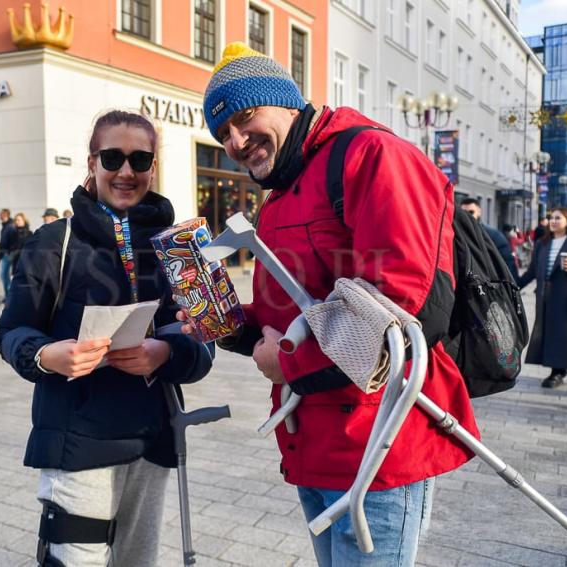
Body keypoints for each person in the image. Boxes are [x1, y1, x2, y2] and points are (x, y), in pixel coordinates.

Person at [187, 42, 479, 566]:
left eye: (244, 116)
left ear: (285, 100)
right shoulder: (280, 194)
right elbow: (287, 318)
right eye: (221, 133)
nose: (234, 140)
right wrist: (224, 324)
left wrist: (290, 364)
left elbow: (403, 309)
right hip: (315, 449)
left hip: (377, 449)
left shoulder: (372, 156)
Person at [0, 109, 214, 566]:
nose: (126, 171)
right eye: (113, 157)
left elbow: (204, 346)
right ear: (92, 162)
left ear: (154, 166)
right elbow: (11, 330)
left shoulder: (181, 248)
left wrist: (166, 352)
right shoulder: (52, 242)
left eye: (140, 159)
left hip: (151, 440)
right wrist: (46, 355)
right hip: (78, 440)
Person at [516, 207, 567, 388]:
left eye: (558, 218)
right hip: (545, 296)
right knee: (549, 334)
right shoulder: (542, 243)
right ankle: (556, 369)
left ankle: (558, 371)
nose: (553, 221)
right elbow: (532, 271)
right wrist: (514, 286)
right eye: (551, 218)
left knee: (564, 335)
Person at [459, 198, 519, 280]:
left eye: (471, 212)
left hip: (487, 285)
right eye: (463, 213)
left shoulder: (493, 235)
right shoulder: (454, 234)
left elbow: (507, 263)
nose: (467, 216)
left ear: (479, 212)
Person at [0, 208, 15, 301]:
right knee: (4, 276)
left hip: (8, 254)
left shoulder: (10, 226)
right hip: (4, 254)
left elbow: (11, 241)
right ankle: (7, 296)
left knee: (5, 275)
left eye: (0, 214)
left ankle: (9, 296)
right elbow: (2, 242)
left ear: (5, 215)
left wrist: (9, 251)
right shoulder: (5, 226)